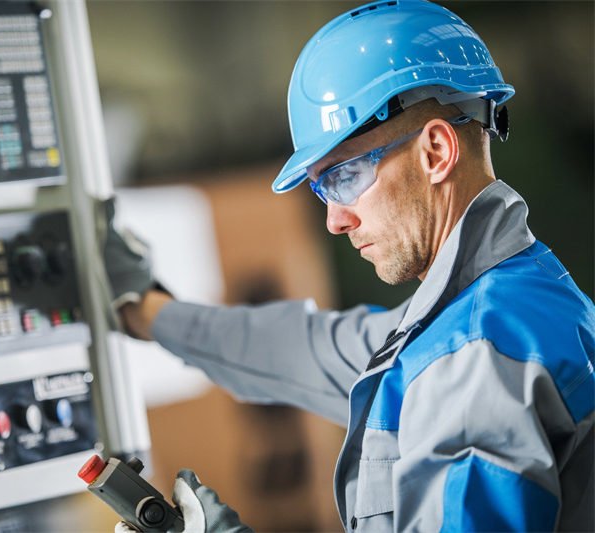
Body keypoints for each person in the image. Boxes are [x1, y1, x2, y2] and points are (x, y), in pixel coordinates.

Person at [104, 0, 595, 530]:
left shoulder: (474, 363)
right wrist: (147, 311)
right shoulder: (504, 304)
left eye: (344, 177)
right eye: (321, 190)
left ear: (435, 151)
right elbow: (307, 349)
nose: (335, 220)